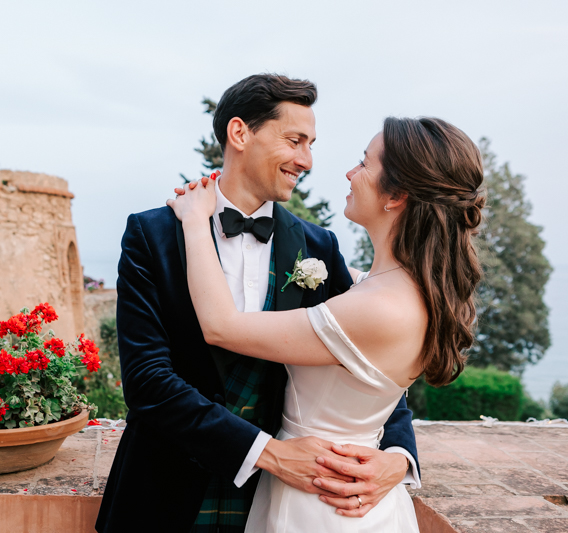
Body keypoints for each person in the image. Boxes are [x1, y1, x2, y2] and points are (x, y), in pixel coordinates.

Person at [95, 74, 420, 533]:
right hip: (165, 494)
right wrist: (268, 453)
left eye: (311, 144)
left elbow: (368, 359)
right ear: (240, 133)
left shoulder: (318, 245)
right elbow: (147, 380)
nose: (306, 160)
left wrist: (398, 456)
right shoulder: (154, 233)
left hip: (279, 502)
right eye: (295, 140)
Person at [167, 115, 484, 531]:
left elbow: (221, 326)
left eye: (364, 163)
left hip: (321, 503)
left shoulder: (379, 308)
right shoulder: (391, 287)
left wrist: (194, 219)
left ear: (397, 195)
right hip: (351, 490)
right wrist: (397, 458)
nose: (350, 173)